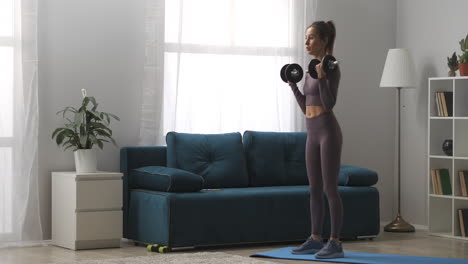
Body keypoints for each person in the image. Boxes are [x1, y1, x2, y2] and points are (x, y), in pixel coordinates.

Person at [288, 20, 344, 259]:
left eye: (311, 37)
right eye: (306, 37)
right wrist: (293, 86)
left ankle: (335, 242)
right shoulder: (310, 70)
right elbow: (306, 107)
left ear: (324, 40)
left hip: (328, 132)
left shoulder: (331, 68)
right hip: (312, 132)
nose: (306, 42)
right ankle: (315, 238)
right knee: (314, 188)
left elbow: (329, 104)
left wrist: (321, 77)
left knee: (330, 188)